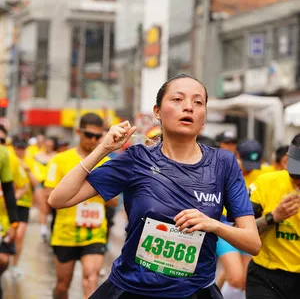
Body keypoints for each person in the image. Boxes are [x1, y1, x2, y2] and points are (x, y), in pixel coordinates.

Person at [48, 74, 261, 299]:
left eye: (198, 102)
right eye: (178, 99)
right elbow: (59, 199)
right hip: (132, 289)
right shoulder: (136, 159)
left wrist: (213, 225)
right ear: (157, 111)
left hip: (195, 292)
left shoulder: (224, 163)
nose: (188, 107)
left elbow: (252, 243)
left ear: (204, 117)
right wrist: (102, 149)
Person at [44, 113, 118, 299]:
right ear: (78, 132)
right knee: (62, 285)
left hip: (95, 232)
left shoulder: (107, 163)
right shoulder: (59, 160)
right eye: (88, 135)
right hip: (65, 232)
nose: (92, 140)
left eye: (97, 136)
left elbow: (115, 202)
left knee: (91, 279)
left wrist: (97, 188)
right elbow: (48, 195)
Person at [216, 139, 272, 298]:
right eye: (246, 162)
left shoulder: (265, 173)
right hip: (226, 225)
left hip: (249, 228)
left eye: (254, 163)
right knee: (236, 278)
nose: (249, 169)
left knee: (242, 279)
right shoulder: (226, 169)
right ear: (237, 155)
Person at [246, 133, 300, 299]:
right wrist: (273, 217)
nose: (297, 184)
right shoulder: (266, 182)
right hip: (265, 276)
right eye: (294, 177)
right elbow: (241, 230)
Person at [0, 145, 19, 299]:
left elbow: (8, 190)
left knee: (3, 259)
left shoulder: (3, 153)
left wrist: (14, 223)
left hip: (3, 219)